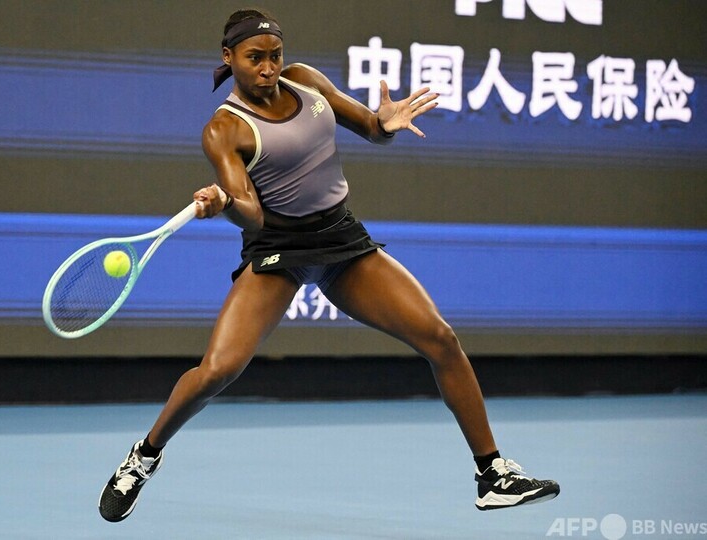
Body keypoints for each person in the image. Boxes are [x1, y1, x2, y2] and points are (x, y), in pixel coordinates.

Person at [99, 8, 559, 522]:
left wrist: (386, 124)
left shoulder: (307, 81)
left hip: (341, 239)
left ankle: (493, 474)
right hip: (279, 250)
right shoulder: (224, 129)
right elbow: (252, 214)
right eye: (255, 58)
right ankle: (144, 456)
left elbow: (371, 128)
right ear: (229, 57)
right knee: (218, 371)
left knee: (440, 338)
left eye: (275, 55)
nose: (268, 68)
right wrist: (225, 203)